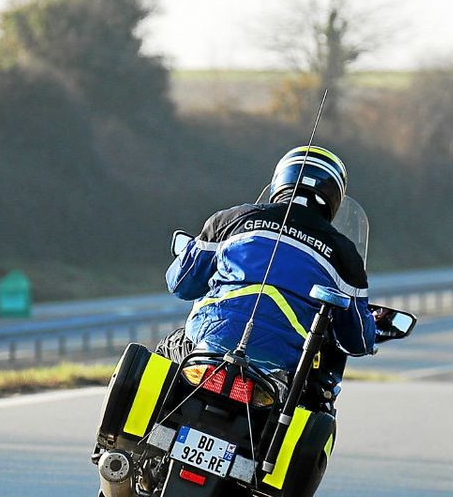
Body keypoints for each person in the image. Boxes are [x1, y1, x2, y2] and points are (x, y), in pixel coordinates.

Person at [161, 145, 377, 406]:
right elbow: (357, 341)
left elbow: (181, 284)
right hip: (280, 368)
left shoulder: (231, 220)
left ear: (279, 182)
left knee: (161, 355)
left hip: (209, 344)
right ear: (335, 198)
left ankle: (118, 443)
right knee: (314, 405)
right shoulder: (345, 256)